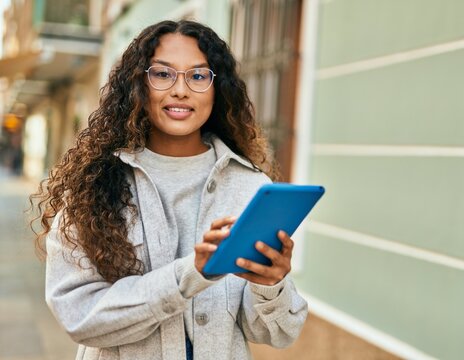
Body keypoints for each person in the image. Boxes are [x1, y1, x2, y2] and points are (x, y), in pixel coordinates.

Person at [30, 19, 308, 360]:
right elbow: (79, 316)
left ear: (216, 88)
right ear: (138, 85)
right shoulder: (93, 185)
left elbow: (276, 333)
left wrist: (271, 284)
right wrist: (191, 275)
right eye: (162, 74)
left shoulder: (250, 187)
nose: (181, 90)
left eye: (198, 75)